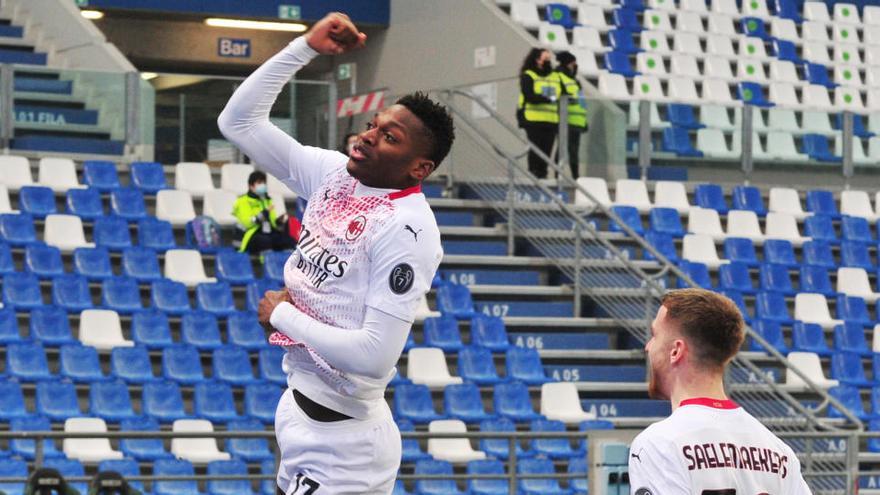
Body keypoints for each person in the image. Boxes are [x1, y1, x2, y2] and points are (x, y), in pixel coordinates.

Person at [218, 12, 453, 495]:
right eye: (373, 125)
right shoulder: (334, 174)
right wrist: (305, 47)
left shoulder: (408, 229)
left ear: (419, 167)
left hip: (345, 444)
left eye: (390, 137)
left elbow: (373, 356)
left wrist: (284, 316)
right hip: (297, 408)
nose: (367, 135)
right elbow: (237, 121)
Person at [629, 288, 811, 495]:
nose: (647, 346)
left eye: (654, 335)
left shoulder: (660, 444)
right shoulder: (780, 453)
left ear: (676, 351)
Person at [517, 47, 560, 178]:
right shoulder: (528, 75)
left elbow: (557, 94)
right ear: (537, 59)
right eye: (545, 58)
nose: (548, 60)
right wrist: (547, 98)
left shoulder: (554, 76)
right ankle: (533, 175)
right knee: (535, 150)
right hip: (533, 119)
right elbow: (530, 96)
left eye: (549, 58)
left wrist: (543, 97)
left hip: (551, 120)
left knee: (547, 152)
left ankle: (543, 176)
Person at [231, 170, 296, 254]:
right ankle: (268, 265)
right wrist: (264, 213)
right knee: (265, 241)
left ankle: (287, 265)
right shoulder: (242, 201)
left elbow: (272, 223)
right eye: (259, 182)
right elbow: (248, 223)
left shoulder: (267, 201)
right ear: (251, 186)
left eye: (264, 182)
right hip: (248, 236)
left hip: (266, 234)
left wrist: (279, 221)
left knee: (288, 241)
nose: (263, 185)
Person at [554, 51, 587, 179]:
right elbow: (555, 96)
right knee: (562, 149)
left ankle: (575, 177)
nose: (575, 65)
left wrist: (584, 121)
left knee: (574, 151)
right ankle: (558, 176)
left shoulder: (575, 81)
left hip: (576, 120)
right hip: (564, 119)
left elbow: (582, 102)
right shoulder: (557, 76)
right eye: (573, 63)